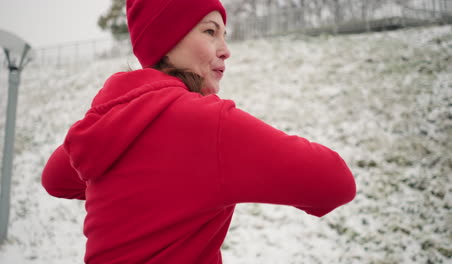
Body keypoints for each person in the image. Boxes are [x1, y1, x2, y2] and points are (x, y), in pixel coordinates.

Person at [41, 0, 357, 263]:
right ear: (167, 39)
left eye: (224, 34)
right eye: (210, 32)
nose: (225, 49)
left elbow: (55, 178)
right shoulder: (209, 126)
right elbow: (336, 182)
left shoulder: (106, 119)